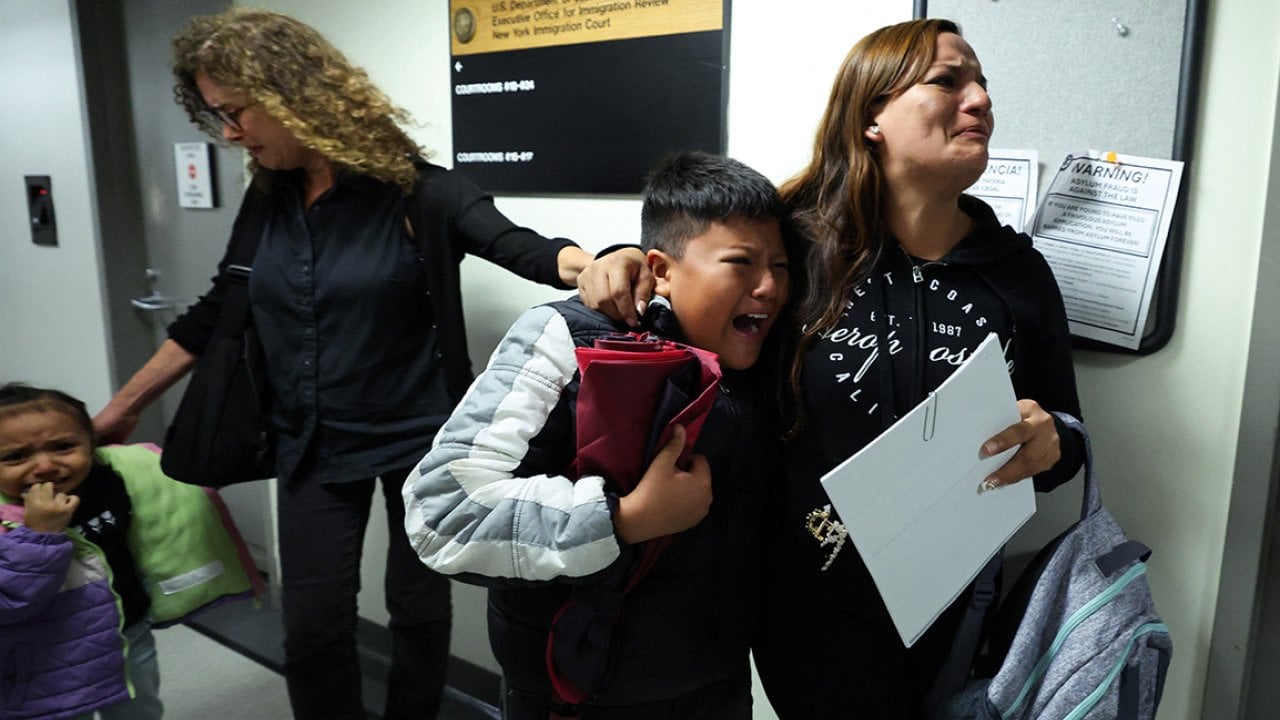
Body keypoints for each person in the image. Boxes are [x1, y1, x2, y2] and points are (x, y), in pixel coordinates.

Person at [89, 10, 642, 720]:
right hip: (312, 440)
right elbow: (216, 311)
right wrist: (125, 407)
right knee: (313, 625)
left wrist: (598, 263)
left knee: (417, 611)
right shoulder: (269, 199)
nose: (230, 134)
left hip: (419, 441)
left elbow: (523, 247)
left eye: (237, 113)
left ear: (294, 95)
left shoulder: (419, 191)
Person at [748, 19, 1087, 719]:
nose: (980, 100)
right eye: (948, 80)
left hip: (961, 614)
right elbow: (697, 327)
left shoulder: (1017, 273)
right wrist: (620, 267)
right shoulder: (788, 244)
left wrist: (1053, 438)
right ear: (872, 115)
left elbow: (1066, 442)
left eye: (983, 84)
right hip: (811, 610)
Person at [402, 151, 793, 719]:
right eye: (741, 262)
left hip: (717, 688)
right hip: (574, 695)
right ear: (660, 269)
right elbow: (443, 509)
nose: (768, 287)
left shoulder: (768, 366)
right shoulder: (570, 337)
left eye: (780, 266)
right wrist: (623, 518)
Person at [0, 384, 260, 720]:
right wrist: (39, 534)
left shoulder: (113, 478)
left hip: (126, 631)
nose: (46, 466)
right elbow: (10, 598)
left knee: (139, 710)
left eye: (63, 447)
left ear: (91, 445)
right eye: (16, 456)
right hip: (41, 653)